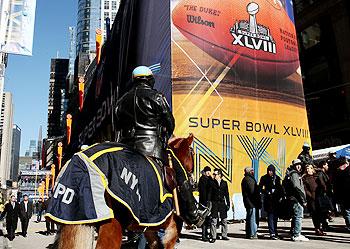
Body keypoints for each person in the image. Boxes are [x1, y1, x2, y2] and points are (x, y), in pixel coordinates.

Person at [115, 66, 210, 227]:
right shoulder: (156, 97)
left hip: (126, 150)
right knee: (180, 172)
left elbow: (117, 126)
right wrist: (163, 135)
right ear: (150, 80)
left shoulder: (121, 101)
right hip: (151, 149)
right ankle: (194, 213)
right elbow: (170, 122)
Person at [284, 159, 309, 241]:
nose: (299, 166)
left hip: (293, 198)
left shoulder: (290, 173)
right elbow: (297, 187)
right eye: (297, 165)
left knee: (295, 216)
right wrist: (303, 199)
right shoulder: (294, 174)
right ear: (294, 166)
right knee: (298, 216)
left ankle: (294, 233)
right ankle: (297, 234)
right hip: (296, 198)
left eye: (300, 164)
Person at [259, 164, 283, 240]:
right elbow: (260, 188)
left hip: (276, 200)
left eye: (271, 171)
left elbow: (280, 188)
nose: (270, 172)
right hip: (268, 200)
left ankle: (275, 231)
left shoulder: (277, 178)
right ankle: (272, 232)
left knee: (275, 217)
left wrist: (280, 195)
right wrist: (266, 192)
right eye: (269, 170)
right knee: (270, 217)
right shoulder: (264, 178)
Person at [303, 165, 326, 235]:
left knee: (321, 213)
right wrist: (311, 196)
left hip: (319, 197)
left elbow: (323, 186)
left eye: (309, 168)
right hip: (312, 199)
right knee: (314, 214)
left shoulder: (317, 176)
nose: (308, 170)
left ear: (312, 169)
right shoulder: (304, 178)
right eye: (306, 168)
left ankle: (321, 227)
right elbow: (305, 189)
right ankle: (317, 228)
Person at [208, 168, 230, 242]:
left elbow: (227, 194)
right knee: (214, 220)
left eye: (215, 174)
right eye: (213, 174)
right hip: (214, 203)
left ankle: (224, 235)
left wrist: (228, 203)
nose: (213, 175)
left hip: (222, 203)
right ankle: (213, 236)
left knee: (224, 220)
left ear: (220, 175)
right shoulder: (211, 183)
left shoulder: (224, 183)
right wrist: (209, 203)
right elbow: (209, 194)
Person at [241, 167, 261, 239]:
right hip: (252, 202)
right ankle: (253, 233)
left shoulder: (247, 179)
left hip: (249, 202)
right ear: (249, 172)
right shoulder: (249, 179)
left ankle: (249, 233)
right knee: (252, 218)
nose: (253, 171)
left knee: (249, 217)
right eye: (252, 170)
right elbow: (253, 191)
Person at [333, 157, 350, 232]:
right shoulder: (339, 172)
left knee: (347, 213)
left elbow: (338, 187)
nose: (338, 167)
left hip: (345, 197)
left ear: (345, 164)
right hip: (344, 197)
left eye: (339, 166)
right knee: (347, 213)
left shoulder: (341, 173)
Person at [198, 166, 212, 241]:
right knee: (204, 218)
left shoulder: (209, 179)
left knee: (207, 219)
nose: (209, 173)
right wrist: (206, 201)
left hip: (208, 201)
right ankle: (204, 235)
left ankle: (206, 234)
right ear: (205, 171)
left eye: (209, 171)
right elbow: (203, 192)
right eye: (207, 171)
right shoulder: (202, 179)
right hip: (204, 202)